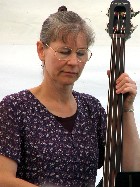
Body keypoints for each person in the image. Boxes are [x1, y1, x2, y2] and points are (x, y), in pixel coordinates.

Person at [0, 6, 139, 187]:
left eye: (81, 53)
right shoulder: (15, 107)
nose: (74, 62)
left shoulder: (91, 108)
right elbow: (3, 178)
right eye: (64, 52)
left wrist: (126, 108)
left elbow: (130, 168)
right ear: (41, 50)